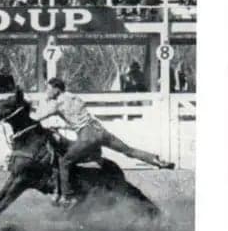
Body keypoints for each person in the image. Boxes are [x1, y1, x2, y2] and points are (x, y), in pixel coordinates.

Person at [34, 77, 174, 208]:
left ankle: (66, 196)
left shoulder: (57, 104)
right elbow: (78, 118)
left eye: (49, 88)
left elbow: (36, 118)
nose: (47, 91)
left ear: (57, 89)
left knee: (64, 162)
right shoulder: (75, 97)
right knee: (128, 151)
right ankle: (157, 161)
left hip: (87, 136)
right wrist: (63, 126)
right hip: (100, 130)